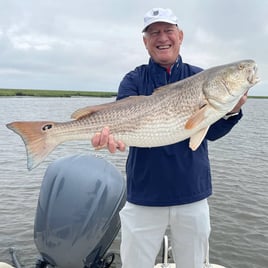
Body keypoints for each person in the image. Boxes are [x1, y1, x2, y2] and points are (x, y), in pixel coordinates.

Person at [91, 8, 247, 268]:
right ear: (145, 41)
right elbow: (119, 127)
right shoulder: (133, 80)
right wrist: (112, 138)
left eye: (168, 31)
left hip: (192, 195)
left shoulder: (201, 77)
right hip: (144, 197)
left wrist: (231, 111)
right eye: (154, 32)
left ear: (180, 35)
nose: (162, 37)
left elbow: (213, 132)